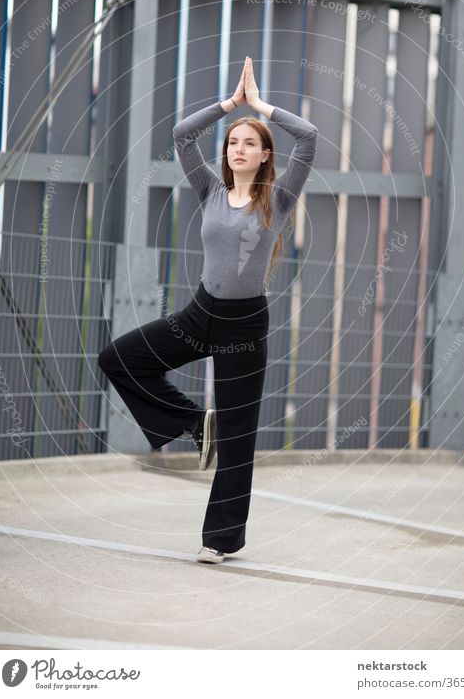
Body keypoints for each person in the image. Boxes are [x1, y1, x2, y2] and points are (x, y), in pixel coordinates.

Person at [98, 56, 318, 563]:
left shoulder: (278, 199)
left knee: (240, 439)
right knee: (120, 358)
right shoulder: (210, 191)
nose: (237, 148)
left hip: (245, 323)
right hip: (200, 313)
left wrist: (260, 106)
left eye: (249, 142)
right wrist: (228, 105)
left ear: (265, 156)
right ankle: (198, 423)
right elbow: (180, 135)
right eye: (232, 141)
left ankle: (220, 541)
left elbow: (307, 137)